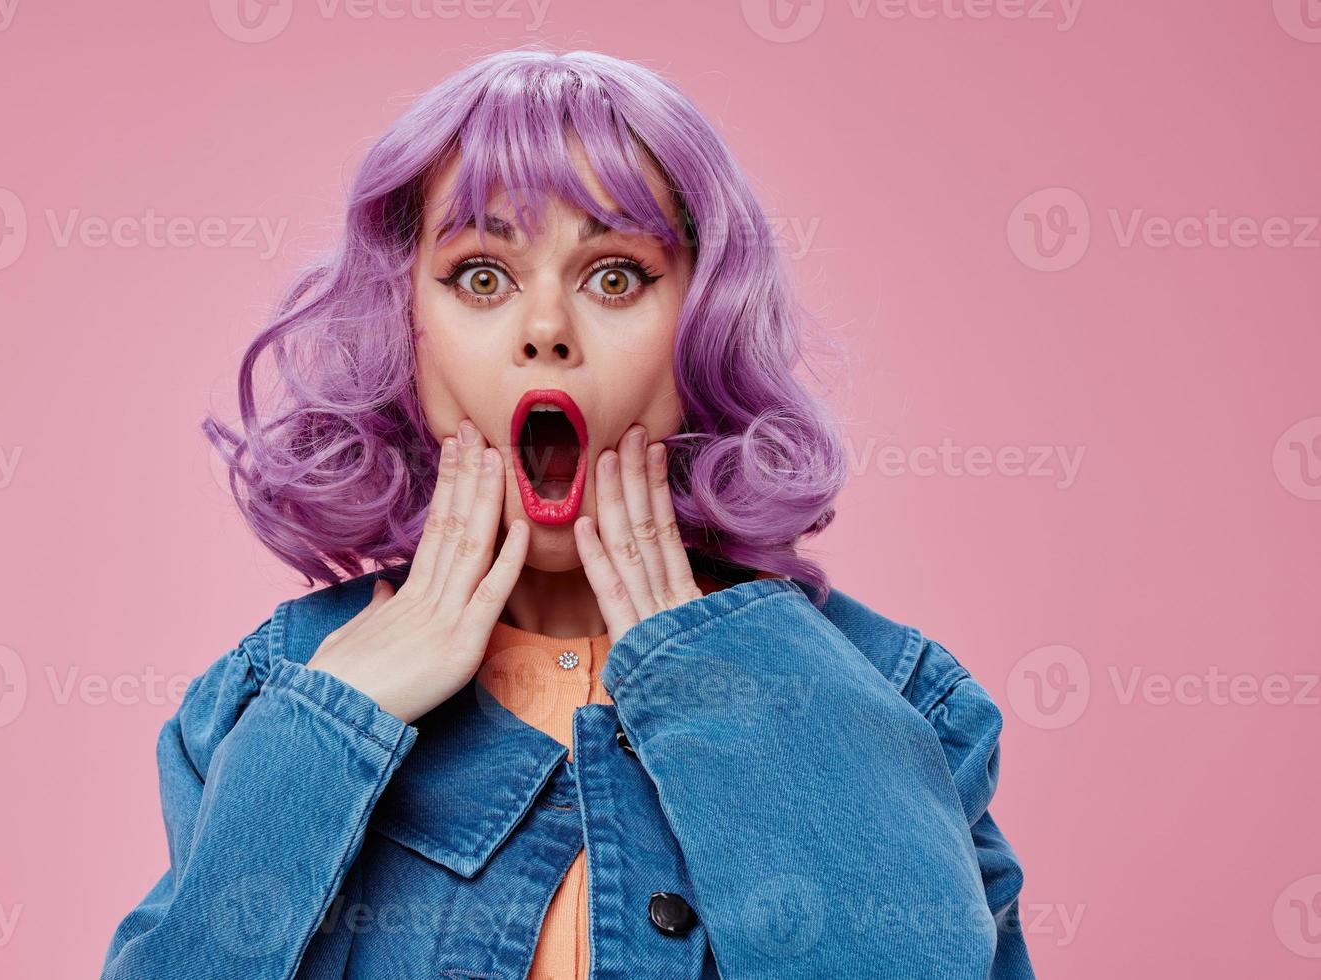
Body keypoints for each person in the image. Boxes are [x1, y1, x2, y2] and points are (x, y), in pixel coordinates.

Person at [102, 47, 1035, 979]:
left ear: (699, 327)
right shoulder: (264, 701)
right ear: (406, 328)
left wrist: (728, 684)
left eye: (617, 276)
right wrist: (331, 724)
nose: (545, 327)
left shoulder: (901, 698)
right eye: (480, 276)